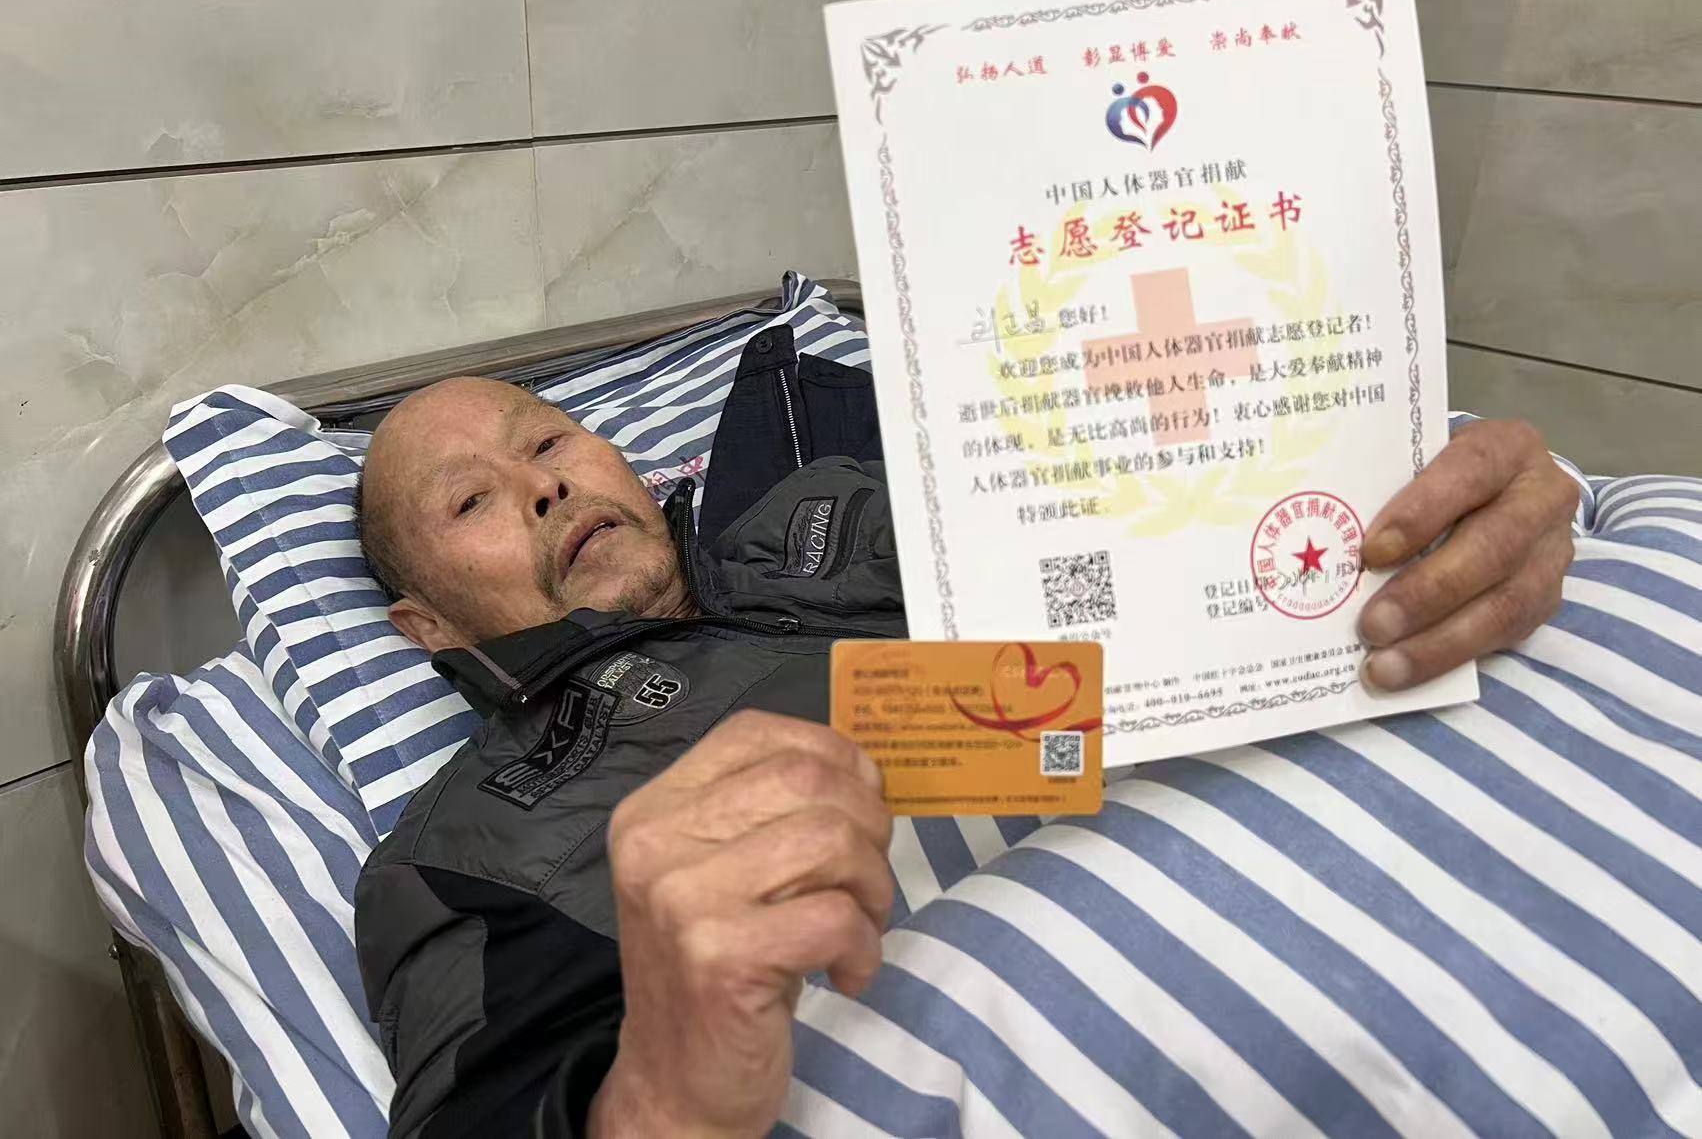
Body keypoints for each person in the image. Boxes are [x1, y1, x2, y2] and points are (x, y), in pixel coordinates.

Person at [352, 321, 1579, 1138]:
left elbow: (1138, 524)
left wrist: (1398, 504)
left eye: (548, 441)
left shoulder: (823, 507)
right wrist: (663, 1096)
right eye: (472, 501)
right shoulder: (464, 848)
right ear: (426, 625)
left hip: (1394, 827)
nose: (545, 484)